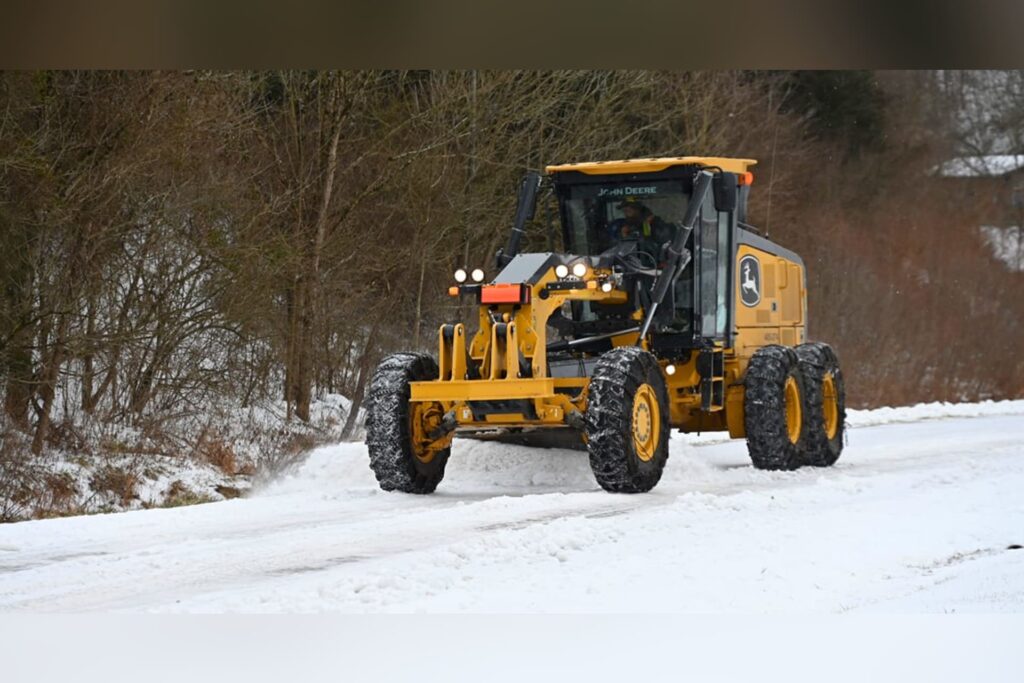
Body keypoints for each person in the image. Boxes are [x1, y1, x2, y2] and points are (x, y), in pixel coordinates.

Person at [608, 197, 674, 264]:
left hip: (653, 265)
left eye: (628, 211)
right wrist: (624, 236)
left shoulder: (656, 224)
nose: (626, 215)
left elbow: (661, 245)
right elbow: (615, 248)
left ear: (638, 210)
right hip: (627, 265)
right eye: (624, 211)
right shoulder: (623, 225)